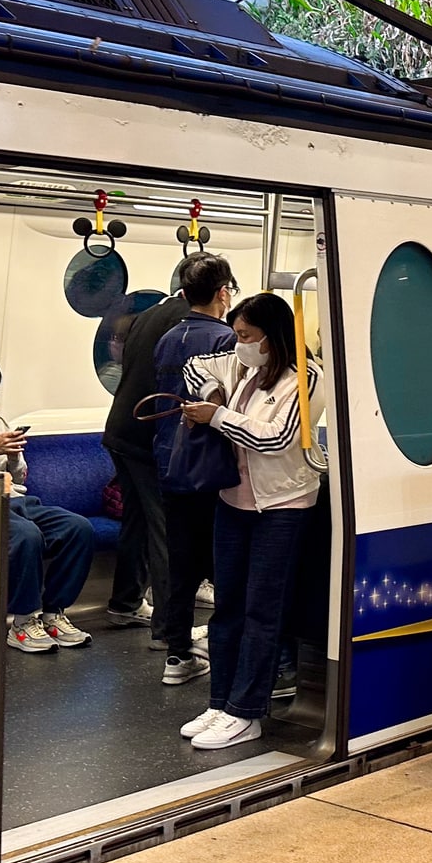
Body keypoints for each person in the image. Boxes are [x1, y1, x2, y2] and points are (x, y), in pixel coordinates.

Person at [177, 293, 324, 750]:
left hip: (281, 509)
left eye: (246, 336)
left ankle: (247, 711)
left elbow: (278, 438)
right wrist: (214, 394)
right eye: (237, 336)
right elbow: (196, 367)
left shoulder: (306, 378)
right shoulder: (246, 369)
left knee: (262, 611)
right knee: (228, 610)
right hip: (234, 504)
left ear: (272, 336)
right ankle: (220, 702)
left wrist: (217, 416)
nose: (238, 345)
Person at [0, 354, 96, 652]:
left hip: (16, 499)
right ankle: (23, 620)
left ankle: (54, 613)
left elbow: (20, 475)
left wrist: (12, 457)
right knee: (27, 536)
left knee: (78, 528)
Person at [149, 254, 237, 686]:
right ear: (223, 293)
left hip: (170, 461)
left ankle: (178, 655)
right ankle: (228, 651)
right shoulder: (225, 341)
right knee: (224, 561)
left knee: (182, 561)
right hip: (212, 468)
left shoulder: (168, 339)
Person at [100, 274, 194, 627]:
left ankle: (125, 602)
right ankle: (171, 625)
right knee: (165, 527)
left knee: (137, 522)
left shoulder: (149, 313)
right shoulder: (188, 322)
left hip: (121, 430)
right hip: (149, 437)